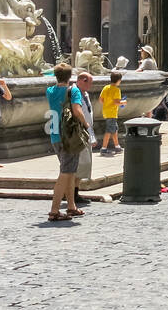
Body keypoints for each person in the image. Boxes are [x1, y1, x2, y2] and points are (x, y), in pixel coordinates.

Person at [46, 63, 88, 221]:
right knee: (65, 173)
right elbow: (77, 111)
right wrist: (86, 124)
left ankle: (71, 207)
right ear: (70, 76)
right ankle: (54, 210)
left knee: (70, 171)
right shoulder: (74, 90)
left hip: (55, 135)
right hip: (69, 135)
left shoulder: (50, 91)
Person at [73, 71, 98, 204]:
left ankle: (75, 192)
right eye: (89, 82)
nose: (91, 85)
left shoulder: (85, 94)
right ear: (82, 80)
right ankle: (72, 193)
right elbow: (78, 112)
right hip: (79, 132)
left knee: (83, 165)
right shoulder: (74, 92)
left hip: (86, 131)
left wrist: (91, 133)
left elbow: (88, 114)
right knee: (79, 164)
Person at [98, 71, 125, 154]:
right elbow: (117, 102)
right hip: (112, 113)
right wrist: (123, 102)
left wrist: (107, 104)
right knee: (109, 130)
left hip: (106, 111)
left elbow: (100, 100)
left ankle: (117, 146)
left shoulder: (106, 87)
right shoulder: (116, 90)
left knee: (114, 129)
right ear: (118, 80)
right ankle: (103, 148)